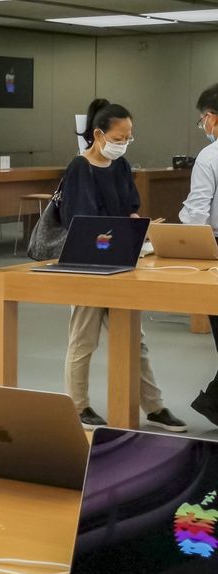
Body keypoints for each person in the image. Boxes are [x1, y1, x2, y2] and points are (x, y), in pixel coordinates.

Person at [60, 98, 186, 432]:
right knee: (83, 339)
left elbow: (130, 205)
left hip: (120, 264)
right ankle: (78, 406)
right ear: (99, 134)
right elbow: (81, 221)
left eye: (128, 137)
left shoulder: (121, 165)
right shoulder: (79, 168)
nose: (124, 143)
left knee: (135, 340)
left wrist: (136, 222)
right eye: (119, 138)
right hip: (86, 266)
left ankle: (154, 407)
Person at [180, 83, 218, 426]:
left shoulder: (210, 157)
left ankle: (214, 404)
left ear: (211, 118)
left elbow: (195, 215)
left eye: (202, 120)